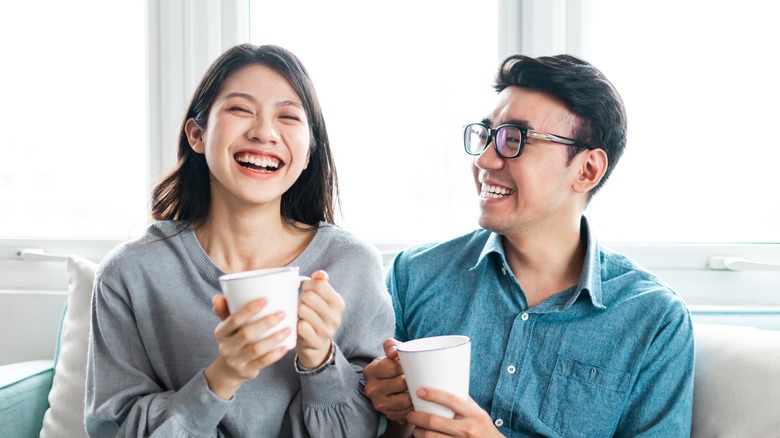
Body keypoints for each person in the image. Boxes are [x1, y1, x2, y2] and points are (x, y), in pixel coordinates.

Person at [364, 54, 694, 437]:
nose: (485, 159)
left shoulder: (654, 318)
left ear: (587, 170)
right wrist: (389, 412)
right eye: (487, 135)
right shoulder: (413, 275)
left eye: (514, 140)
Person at [85, 44, 394, 437]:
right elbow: (112, 431)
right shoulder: (130, 272)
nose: (264, 132)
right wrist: (223, 376)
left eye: (287, 116)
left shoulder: (351, 266)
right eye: (240, 110)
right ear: (197, 134)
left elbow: (371, 431)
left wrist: (321, 360)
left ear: (308, 151)